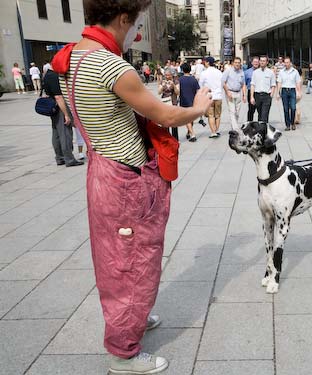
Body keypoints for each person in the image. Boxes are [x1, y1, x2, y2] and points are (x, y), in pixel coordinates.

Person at [51, 1, 212, 373]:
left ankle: (133, 321)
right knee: (132, 262)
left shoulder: (69, 58)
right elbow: (167, 115)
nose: (137, 29)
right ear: (123, 17)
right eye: (136, 21)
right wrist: (200, 107)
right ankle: (123, 352)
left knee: (118, 259)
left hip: (102, 169)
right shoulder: (111, 65)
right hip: (126, 179)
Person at [43, 66, 83, 167]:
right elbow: (58, 96)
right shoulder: (54, 76)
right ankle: (69, 159)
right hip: (60, 107)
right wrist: (66, 114)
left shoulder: (47, 75)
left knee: (56, 133)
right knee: (65, 133)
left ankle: (59, 157)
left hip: (53, 108)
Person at [199, 56, 223, 138]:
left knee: (210, 115)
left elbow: (200, 85)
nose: (204, 63)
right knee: (218, 115)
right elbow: (222, 83)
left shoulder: (204, 73)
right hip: (218, 95)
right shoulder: (219, 72)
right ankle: (216, 130)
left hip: (209, 96)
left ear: (208, 63)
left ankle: (213, 132)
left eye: (205, 62)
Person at [276, 56, 302, 131]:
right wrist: (278, 93)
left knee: (293, 108)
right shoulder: (281, 72)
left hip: (292, 91)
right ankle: (287, 125)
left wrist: (299, 92)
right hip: (284, 91)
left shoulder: (295, 71)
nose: (287, 64)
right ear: (284, 63)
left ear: (290, 63)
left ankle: (292, 123)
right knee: (286, 109)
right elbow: (279, 82)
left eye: (288, 62)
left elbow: (298, 82)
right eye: (285, 62)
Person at [222, 56, 246, 130]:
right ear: (233, 63)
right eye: (236, 62)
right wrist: (227, 92)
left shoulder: (241, 72)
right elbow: (223, 82)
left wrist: (244, 95)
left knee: (237, 112)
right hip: (230, 92)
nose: (237, 64)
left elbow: (243, 84)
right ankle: (235, 129)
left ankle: (233, 126)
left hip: (238, 93)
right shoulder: (228, 71)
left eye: (238, 63)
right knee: (232, 111)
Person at [250, 55, 277, 123]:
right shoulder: (255, 72)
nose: (262, 62)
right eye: (261, 61)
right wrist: (252, 97)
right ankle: (262, 130)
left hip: (266, 96)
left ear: (267, 62)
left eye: (264, 61)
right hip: (257, 95)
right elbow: (253, 85)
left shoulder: (271, 72)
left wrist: (271, 95)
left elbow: (273, 85)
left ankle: (263, 131)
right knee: (260, 115)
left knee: (264, 115)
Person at [179, 64, 200, 141]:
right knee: (191, 118)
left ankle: (192, 134)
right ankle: (188, 132)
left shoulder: (180, 79)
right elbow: (198, 90)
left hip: (184, 100)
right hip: (193, 100)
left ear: (182, 70)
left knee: (186, 119)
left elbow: (178, 91)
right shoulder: (194, 79)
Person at [158, 71, 180, 139]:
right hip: (165, 103)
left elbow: (178, 92)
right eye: (166, 75)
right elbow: (159, 92)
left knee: (174, 120)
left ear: (171, 75)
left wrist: (173, 85)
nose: (167, 77)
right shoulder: (162, 81)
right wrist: (163, 86)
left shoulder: (176, 81)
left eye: (169, 75)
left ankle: (175, 138)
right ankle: (167, 137)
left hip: (173, 102)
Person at [245, 56, 259, 121]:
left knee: (260, 110)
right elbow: (244, 83)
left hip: (260, 92)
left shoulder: (262, 71)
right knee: (251, 110)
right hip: (251, 92)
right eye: (254, 62)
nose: (256, 63)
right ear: (252, 62)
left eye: (257, 62)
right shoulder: (247, 72)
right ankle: (250, 124)